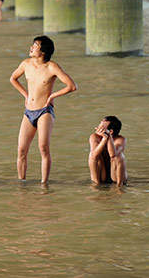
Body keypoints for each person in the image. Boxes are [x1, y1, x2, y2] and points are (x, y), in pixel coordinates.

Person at [9, 35, 76, 184]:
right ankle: (22, 183)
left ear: (43, 51)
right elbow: (13, 78)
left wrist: (52, 96)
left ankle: (44, 184)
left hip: (44, 111)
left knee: (43, 148)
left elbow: (72, 86)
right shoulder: (26, 64)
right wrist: (25, 95)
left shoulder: (52, 67)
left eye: (35, 45)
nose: (31, 47)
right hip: (28, 112)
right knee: (21, 150)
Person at [88, 116, 127, 186]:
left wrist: (109, 137)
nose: (98, 127)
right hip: (101, 174)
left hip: (115, 175)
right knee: (93, 156)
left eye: (102, 126)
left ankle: (119, 187)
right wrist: (104, 139)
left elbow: (113, 154)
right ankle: (96, 185)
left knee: (119, 157)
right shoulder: (94, 137)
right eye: (100, 124)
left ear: (111, 131)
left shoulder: (120, 139)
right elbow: (94, 156)